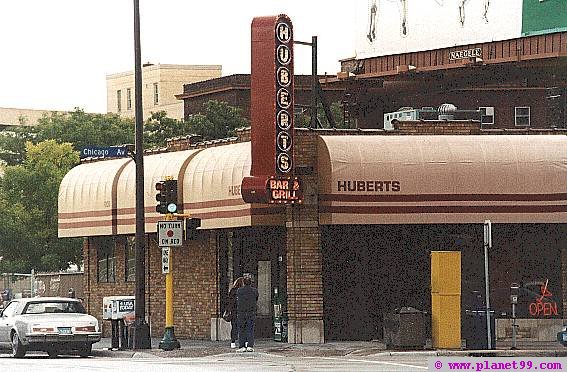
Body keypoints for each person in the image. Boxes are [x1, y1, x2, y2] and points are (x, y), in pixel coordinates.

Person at [236, 276, 258, 352]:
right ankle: (250, 346)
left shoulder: (239, 291)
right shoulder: (254, 291)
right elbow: (256, 299)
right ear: (251, 283)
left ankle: (242, 346)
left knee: (241, 330)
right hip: (251, 312)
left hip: (241, 312)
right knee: (250, 329)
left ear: (244, 283)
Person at [226, 277, 244, 349]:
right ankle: (243, 342)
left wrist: (229, 310)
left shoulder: (232, 291)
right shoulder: (242, 291)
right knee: (242, 327)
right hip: (241, 311)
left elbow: (229, 302)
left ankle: (233, 342)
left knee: (234, 327)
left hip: (233, 311)